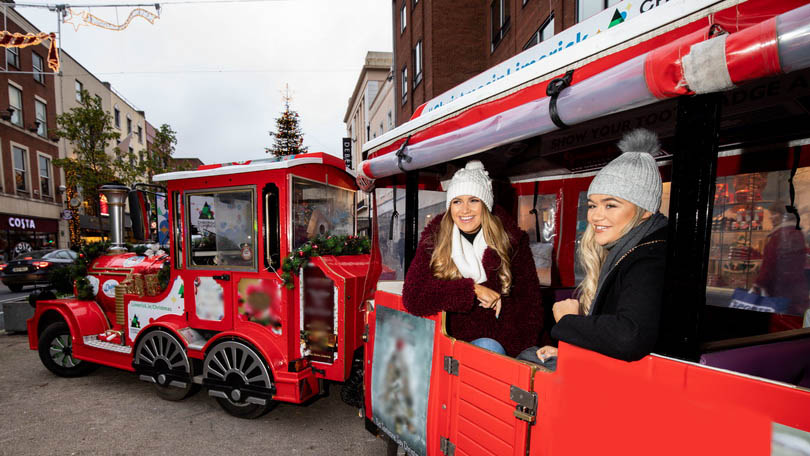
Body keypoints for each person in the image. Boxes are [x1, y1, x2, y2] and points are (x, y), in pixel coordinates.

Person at [519, 128, 669, 365]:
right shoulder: (632, 247)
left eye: (610, 205)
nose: (596, 216)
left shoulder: (651, 258)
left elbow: (629, 337)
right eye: (592, 205)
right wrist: (572, 349)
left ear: (645, 210)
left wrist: (569, 320)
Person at [402, 160, 543, 357]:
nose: (465, 210)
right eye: (457, 201)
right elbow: (413, 298)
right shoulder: (434, 239)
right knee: (488, 347)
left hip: (502, 348)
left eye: (473, 200)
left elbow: (530, 309)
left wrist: (518, 359)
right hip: (448, 346)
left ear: (485, 204)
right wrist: (472, 290)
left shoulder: (513, 241)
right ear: (450, 206)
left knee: (490, 348)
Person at [753, 202, 809, 317]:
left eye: (774, 214)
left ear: (783, 215)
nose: (771, 217)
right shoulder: (798, 233)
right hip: (796, 291)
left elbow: (770, 266)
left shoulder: (779, 236)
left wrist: (758, 285)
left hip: (779, 291)